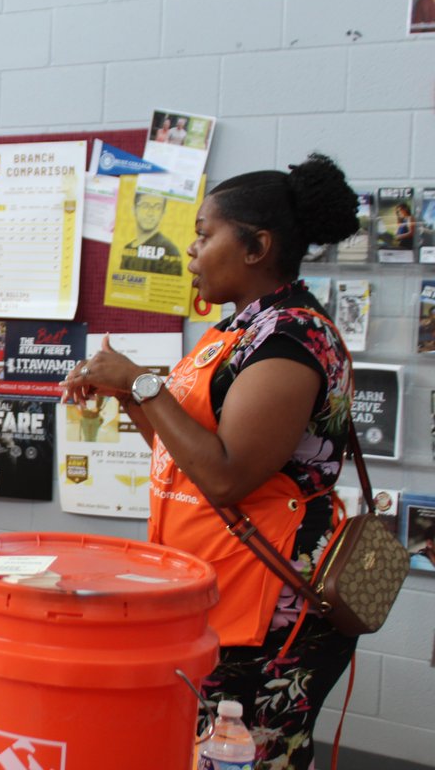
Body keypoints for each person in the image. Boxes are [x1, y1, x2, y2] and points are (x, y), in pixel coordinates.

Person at [62, 153, 361, 768]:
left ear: (256, 247)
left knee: (241, 758)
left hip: (271, 608)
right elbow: (184, 461)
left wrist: (144, 385)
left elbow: (226, 477)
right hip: (213, 584)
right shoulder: (235, 332)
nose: (192, 251)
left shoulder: (291, 340)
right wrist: (125, 390)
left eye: (203, 235)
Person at [119, 191, 183, 276]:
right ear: (134, 209)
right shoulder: (128, 249)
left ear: (163, 212)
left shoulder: (169, 250)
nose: (150, 213)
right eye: (145, 206)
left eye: (157, 207)